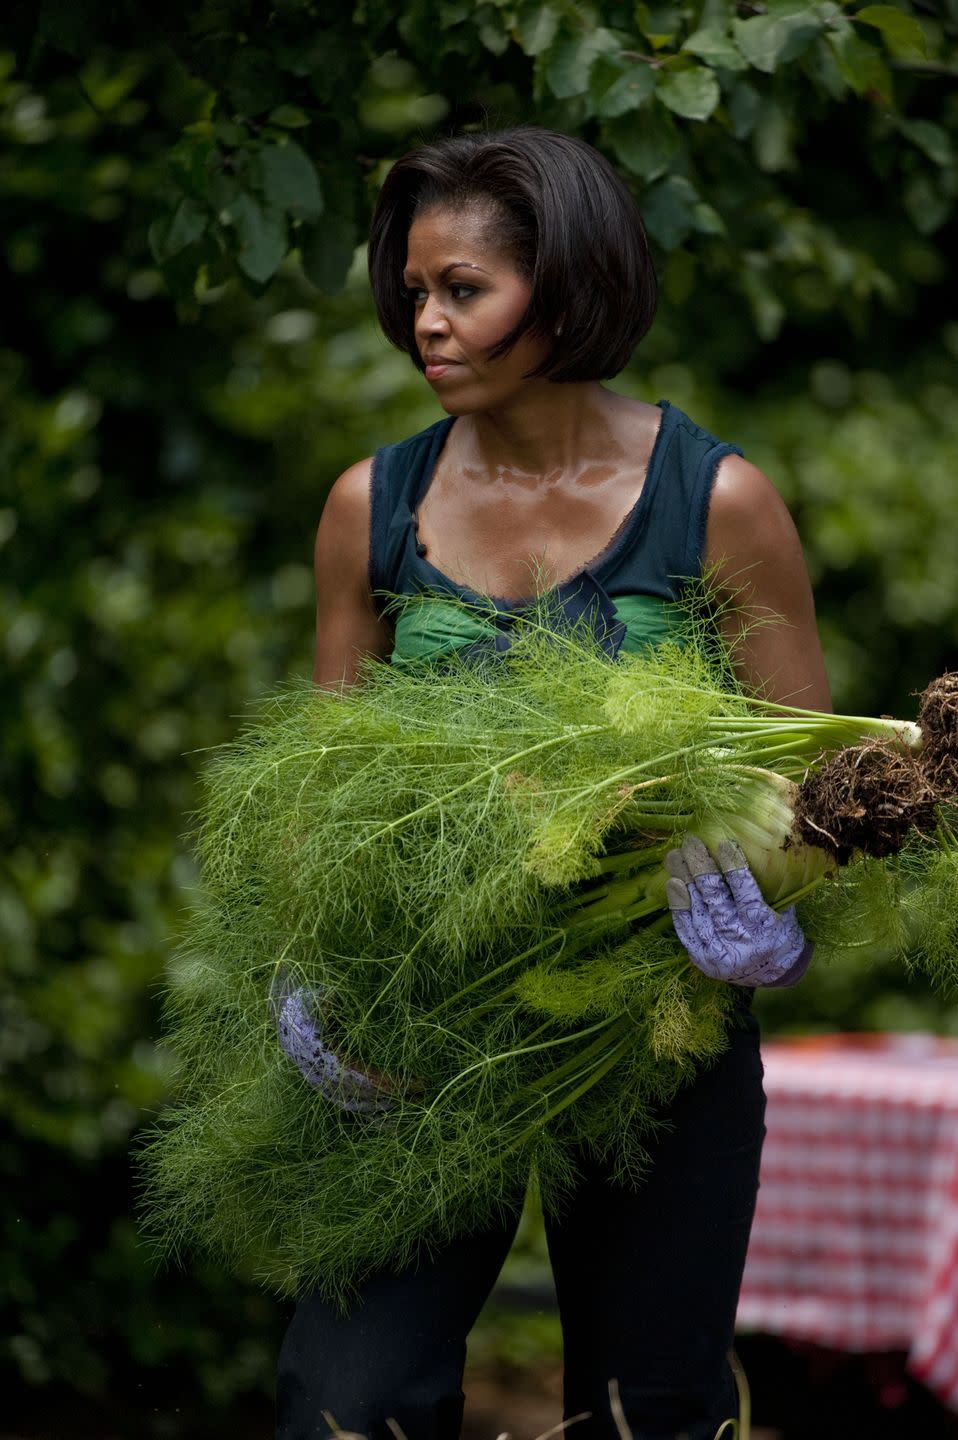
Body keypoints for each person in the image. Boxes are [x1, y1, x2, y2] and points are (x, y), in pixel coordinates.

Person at [277, 126, 831, 1440]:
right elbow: (315, 781)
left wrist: (769, 918)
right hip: (419, 1018)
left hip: (650, 1024)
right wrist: (305, 962)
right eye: (413, 291)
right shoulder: (373, 506)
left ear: (569, 287)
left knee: (654, 1409)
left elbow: (812, 777)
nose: (426, 321)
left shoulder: (718, 502)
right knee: (351, 1402)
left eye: (461, 289)